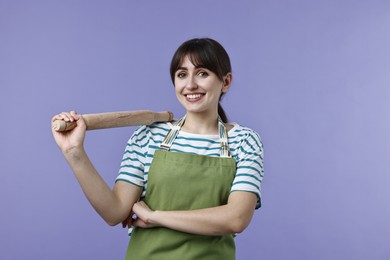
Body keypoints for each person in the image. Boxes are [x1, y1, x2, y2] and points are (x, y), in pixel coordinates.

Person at [52, 38, 264, 260]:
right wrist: (74, 153)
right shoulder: (148, 136)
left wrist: (155, 216)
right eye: (182, 74)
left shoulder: (244, 141)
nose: (190, 84)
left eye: (202, 73)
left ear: (226, 81)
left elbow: (236, 219)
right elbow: (114, 213)